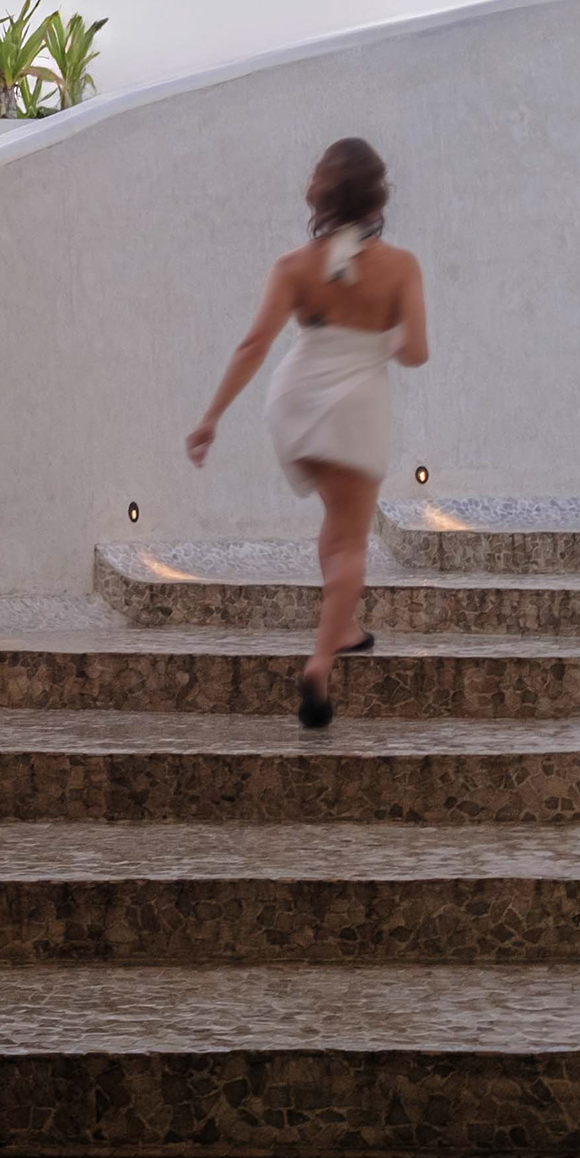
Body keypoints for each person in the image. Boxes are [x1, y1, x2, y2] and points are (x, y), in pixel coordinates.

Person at [184, 136, 429, 727]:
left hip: (295, 402)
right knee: (349, 541)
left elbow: (253, 345)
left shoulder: (292, 267)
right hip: (355, 407)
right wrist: (379, 340)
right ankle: (320, 662)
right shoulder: (400, 267)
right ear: (378, 198)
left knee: (334, 523)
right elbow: (416, 353)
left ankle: (343, 626)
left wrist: (210, 418)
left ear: (319, 193)